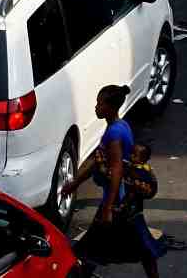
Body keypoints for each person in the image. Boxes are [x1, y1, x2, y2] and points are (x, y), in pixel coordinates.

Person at [74, 84, 165, 274]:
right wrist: (74, 184)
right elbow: (98, 160)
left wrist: (108, 207)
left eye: (100, 104)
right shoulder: (121, 126)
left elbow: (115, 170)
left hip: (118, 201)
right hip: (125, 200)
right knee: (139, 244)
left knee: (91, 247)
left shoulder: (114, 134)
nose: (96, 108)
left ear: (111, 107)